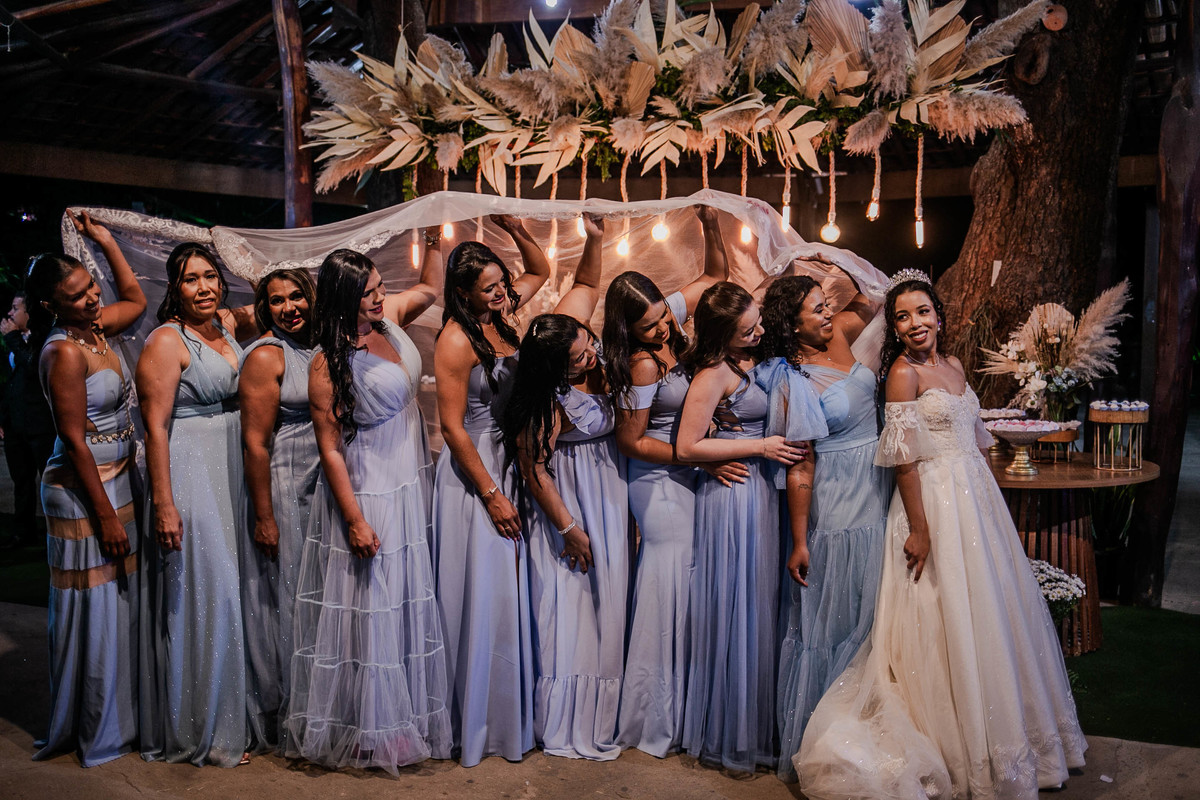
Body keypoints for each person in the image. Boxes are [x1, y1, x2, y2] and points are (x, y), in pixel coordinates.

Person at [794, 271, 1087, 799]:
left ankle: (1009, 739)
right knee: (941, 611)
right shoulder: (902, 375)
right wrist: (921, 529)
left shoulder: (953, 367)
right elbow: (904, 461)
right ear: (896, 327)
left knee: (989, 615)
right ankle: (958, 746)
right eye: (902, 317)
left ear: (939, 316)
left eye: (922, 313)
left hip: (973, 500)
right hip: (930, 503)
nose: (913, 324)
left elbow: (974, 437)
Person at [283, 245, 449, 774]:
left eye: (380, 287)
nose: (380, 297)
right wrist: (354, 519)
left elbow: (430, 284)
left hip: (406, 475)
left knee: (402, 594)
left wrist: (438, 228)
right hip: (369, 483)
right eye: (369, 292)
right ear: (343, 298)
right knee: (373, 600)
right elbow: (330, 447)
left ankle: (401, 716)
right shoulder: (326, 363)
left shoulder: (391, 320)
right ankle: (373, 727)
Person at [603, 205, 739, 757]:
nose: (663, 328)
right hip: (657, 481)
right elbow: (630, 441)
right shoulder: (638, 364)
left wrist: (710, 226)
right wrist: (698, 459)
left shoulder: (670, 326)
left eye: (663, 315)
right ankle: (654, 717)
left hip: (684, 469)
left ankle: (688, 707)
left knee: (689, 581)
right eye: (651, 326)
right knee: (668, 583)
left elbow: (714, 280)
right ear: (628, 330)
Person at [500, 215, 626, 761]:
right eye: (579, 359)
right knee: (574, 603)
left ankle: (612, 704)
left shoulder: (570, 334)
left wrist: (596, 239)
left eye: (588, 345)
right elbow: (534, 472)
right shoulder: (548, 401)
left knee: (610, 599)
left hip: (608, 486)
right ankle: (569, 716)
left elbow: (587, 286)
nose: (590, 356)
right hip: (573, 501)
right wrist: (569, 528)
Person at [674, 282, 812, 773]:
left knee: (763, 605)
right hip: (735, 496)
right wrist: (758, 447)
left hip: (765, 491)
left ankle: (765, 721)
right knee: (740, 605)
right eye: (746, 329)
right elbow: (687, 447)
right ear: (721, 334)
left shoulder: (760, 358)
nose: (758, 332)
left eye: (757, 322)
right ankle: (734, 730)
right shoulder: (712, 374)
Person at [26, 211, 146, 766]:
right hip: (82, 491)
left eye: (91, 286)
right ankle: (94, 725)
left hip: (117, 479)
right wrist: (106, 519)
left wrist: (105, 242)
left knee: (117, 604)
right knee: (94, 607)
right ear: (53, 306)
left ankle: (120, 715)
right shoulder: (62, 351)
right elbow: (73, 441)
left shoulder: (97, 329)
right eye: (78, 296)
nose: (95, 298)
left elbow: (136, 300)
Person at [757, 271, 888, 782]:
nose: (827, 312)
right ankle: (828, 741)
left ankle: (872, 726)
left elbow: (870, 293)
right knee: (836, 620)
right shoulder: (791, 378)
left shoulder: (844, 332)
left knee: (873, 610)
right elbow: (799, 464)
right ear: (792, 326)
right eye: (815, 308)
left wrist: (809, 259)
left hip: (877, 485)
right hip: (836, 501)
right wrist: (797, 540)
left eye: (825, 302)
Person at [431, 217, 550, 766]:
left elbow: (541, 269)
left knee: (512, 589)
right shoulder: (456, 339)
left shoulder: (504, 313)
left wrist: (513, 225)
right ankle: (476, 722)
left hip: (509, 458)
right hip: (475, 472)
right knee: (486, 590)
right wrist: (491, 494)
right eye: (490, 287)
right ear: (462, 292)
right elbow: (453, 428)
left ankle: (511, 717)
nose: (504, 291)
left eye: (503, 282)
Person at [136, 242, 258, 767]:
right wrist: (164, 503)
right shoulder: (167, 341)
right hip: (189, 467)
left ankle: (239, 716)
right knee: (211, 592)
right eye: (192, 280)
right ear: (175, 288)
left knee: (235, 587)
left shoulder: (224, 327)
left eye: (211, 276)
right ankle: (206, 727)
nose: (205, 287)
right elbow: (155, 429)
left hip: (230, 462)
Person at [238, 267, 320, 753]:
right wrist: (264, 516)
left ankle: (321, 703)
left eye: (296, 297)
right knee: (289, 596)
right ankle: (293, 714)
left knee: (318, 592)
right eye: (275, 301)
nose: (288, 308)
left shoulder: (322, 345)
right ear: (263, 308)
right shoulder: (268, 355)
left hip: (324, 482)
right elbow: (255, 444)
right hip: (286, 482)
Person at [1, 291, 57, 547]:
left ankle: (55, 531)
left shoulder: (42, 337)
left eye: (15, 308)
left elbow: (34, 369)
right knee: (21, 481)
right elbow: (10, 382)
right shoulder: (14, 340)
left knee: (49, 479)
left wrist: (12, 338)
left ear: (28, 311)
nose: (10, 314)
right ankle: (23, 532)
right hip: (16, 423)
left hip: (40, 423)